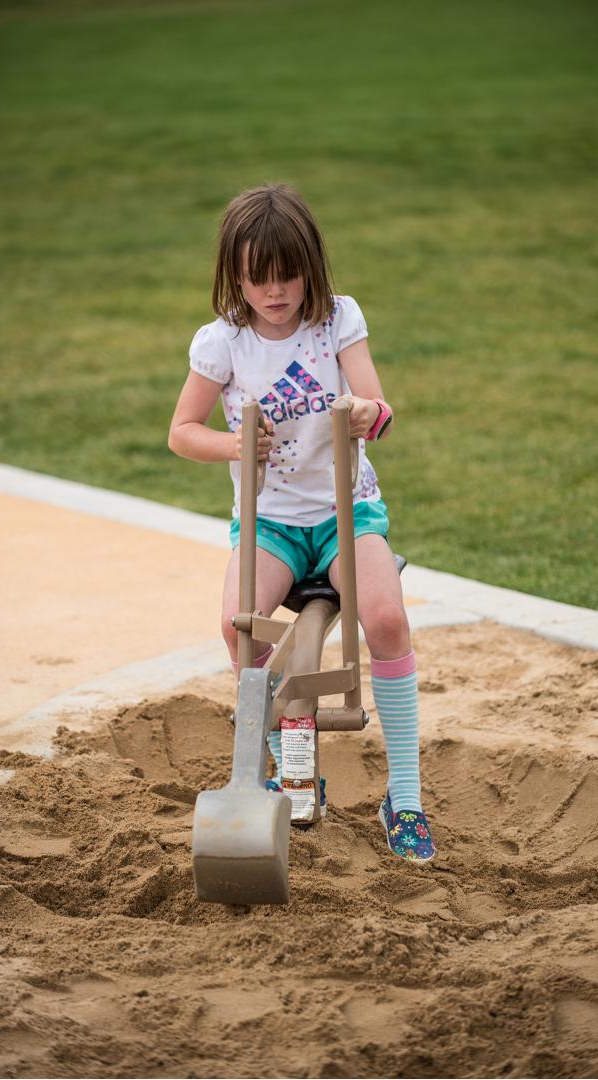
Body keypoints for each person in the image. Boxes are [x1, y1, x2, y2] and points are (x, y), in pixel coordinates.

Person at [166, 183, 434, 863]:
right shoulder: (223, 342)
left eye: (288, 275)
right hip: (271, 525)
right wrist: (230, 445)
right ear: (236, 274)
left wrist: (368, 413)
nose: (275, 291)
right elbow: (181, 431)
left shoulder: (337, 321)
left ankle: (404, 795)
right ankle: (283, 752)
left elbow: (371, 397)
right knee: (237, 626)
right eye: (258, 277)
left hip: (346, 510)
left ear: (310, 267)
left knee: (387, 618)